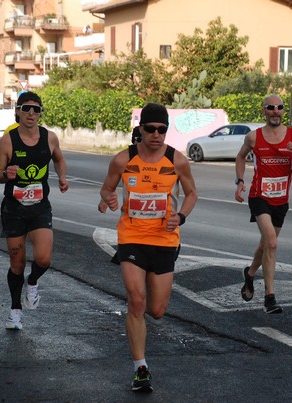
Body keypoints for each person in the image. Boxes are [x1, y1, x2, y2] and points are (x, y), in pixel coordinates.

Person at [100, 103, 198, 392]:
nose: (156, 134)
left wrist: (181, 216)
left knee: (156, 310)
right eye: (151, 129)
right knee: (137, 300)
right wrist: (109, 198)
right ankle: (140, 367)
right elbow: (106, 188)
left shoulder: (177, 161)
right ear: (140, 129)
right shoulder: (122, 160)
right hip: (131, 237)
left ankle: (140, 325)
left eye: (162, 129)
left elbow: (192, 193)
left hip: (164, 240)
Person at [235, 94, 292, 314]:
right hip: (259, 196)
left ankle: (250, 274)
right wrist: (240, 182)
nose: (275, 111)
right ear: (263, 111)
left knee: (265, 244)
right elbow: (240, 157)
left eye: (279, 107)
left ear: (284, 111)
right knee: (271, 243)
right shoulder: (253, 137)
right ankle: (270, 298)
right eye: (270, 107)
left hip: (281, 200)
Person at [0, 91, 69, 330]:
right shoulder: (8, 140)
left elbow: (59, 159)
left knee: (44, 258)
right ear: (17, 111)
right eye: (26, 109)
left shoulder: (50, 138)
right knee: (17, 263)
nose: (31, 114)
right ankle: (15, 309)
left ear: (40, 113)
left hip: (39, 207)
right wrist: (6, 175)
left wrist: (62, 177)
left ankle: (33, 282)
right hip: (14, 209)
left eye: (36, 109)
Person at [98, 125, 143, 264]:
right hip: (132, 224)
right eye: (139, 139)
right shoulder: (125, 159)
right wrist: (105, 199)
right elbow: (110, 185)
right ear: (134, 141)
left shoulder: (163, 158)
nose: (142, 143)